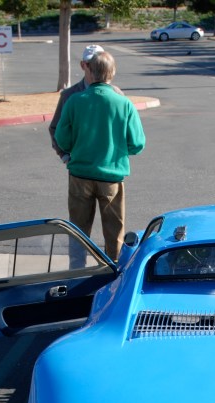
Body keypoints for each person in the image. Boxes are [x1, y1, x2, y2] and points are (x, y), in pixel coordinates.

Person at [54, 51, 145, 262]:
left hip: (80, 174)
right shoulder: (124, 103)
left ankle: (77, 271)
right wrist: (119, 149)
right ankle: (112, 274)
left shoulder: (75, 101)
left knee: (78, 229)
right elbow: (137, 143)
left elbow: (61, 136)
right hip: (111, 176)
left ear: (90, 71)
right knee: (114, 233)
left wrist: (73, 150)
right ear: (112, 73)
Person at [48, 45, 123, 163]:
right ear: (83, 65)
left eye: (100, 63)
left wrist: (118, 156)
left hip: (109, 166)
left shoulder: (118, 95)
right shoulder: (69, 96)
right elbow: (56, 129)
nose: (96, 67)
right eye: (91, 63)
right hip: (80, 167)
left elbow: (131, 137)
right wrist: (65, 156)